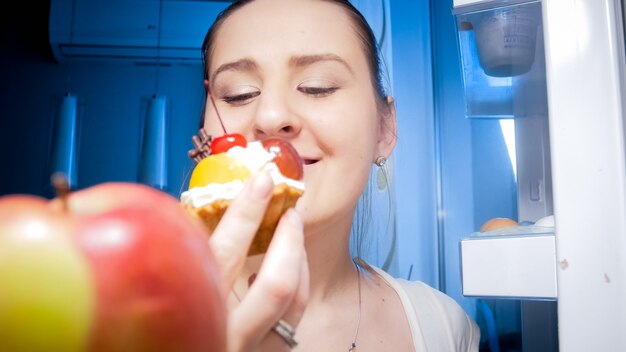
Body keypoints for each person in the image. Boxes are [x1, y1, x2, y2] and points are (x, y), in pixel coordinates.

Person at [195, 0, 481, 351]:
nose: (270, 116)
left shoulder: (444, 328)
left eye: (318, 86)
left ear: (384, 129)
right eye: (239, 94)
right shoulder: (136, 320)